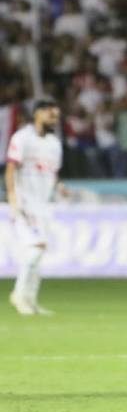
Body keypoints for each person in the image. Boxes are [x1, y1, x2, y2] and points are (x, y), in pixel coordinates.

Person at [6, 99, 63, 315]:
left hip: (43, 205)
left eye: (56, 115)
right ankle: (19, 294)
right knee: (36, 247)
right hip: (25, 202)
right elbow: (11, 168)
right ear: (37, 114)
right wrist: (13, 197)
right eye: (51, 114)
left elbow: (52, 172)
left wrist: (60, 186)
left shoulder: (54, 144)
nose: (54, 119)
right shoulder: (22, 138)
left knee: (40, 251)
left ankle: (30, 300)